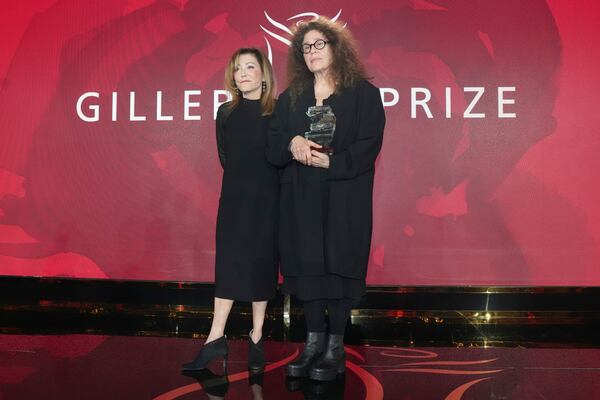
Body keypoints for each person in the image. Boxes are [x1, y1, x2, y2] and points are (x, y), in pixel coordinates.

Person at [267, 17, 386, 381]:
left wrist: (332, 162)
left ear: (336, 49)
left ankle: (335, 347)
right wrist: (292, 142)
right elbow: (272, 144)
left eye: (320, 44)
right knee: (308, 270)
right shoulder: (291, 98)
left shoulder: (364, 94)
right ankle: (313, 343)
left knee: (339, 267)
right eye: (306, 47)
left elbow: (368, 146)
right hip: (301, 199)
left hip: (343, 197)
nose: (312, 52)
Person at [182, 48, 279, 374]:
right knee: (228, 264)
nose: (244, 73)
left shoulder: (278, 112)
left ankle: (257, 335)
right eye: (238, 68)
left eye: (251, 67)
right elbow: (227, 157)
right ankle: (215, 337)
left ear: (264, 73)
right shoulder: (225, 112)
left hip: (269, 202)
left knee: (261, 265)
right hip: (235, 200)